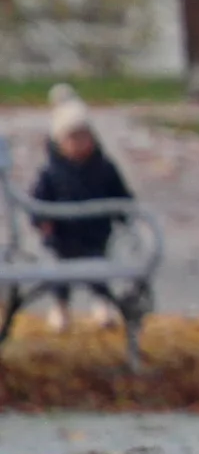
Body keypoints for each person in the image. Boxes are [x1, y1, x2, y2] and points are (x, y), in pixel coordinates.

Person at [28, 86, 134, 330]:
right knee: (60, 275)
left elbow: (121, 196)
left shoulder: (104, 168)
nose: (79, 143)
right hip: (62, 235)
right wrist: (42, 221)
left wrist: (124, 214)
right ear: (59, 141)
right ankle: (60, 308)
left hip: (95, 233)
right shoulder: (51, 173)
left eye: (84, 136)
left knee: (97, 272)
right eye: (72, 138)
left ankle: (102, 305)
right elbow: (38, 201)